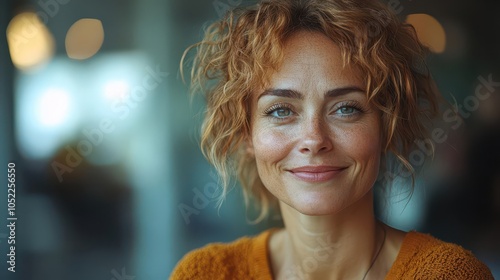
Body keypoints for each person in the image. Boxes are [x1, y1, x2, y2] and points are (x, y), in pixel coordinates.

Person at [172, 0, 494, 279]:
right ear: (247, 133)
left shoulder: (449, 275)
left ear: (386, 126)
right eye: (281, 110)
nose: (314, 139)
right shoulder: (206, 274)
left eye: (346, 108)